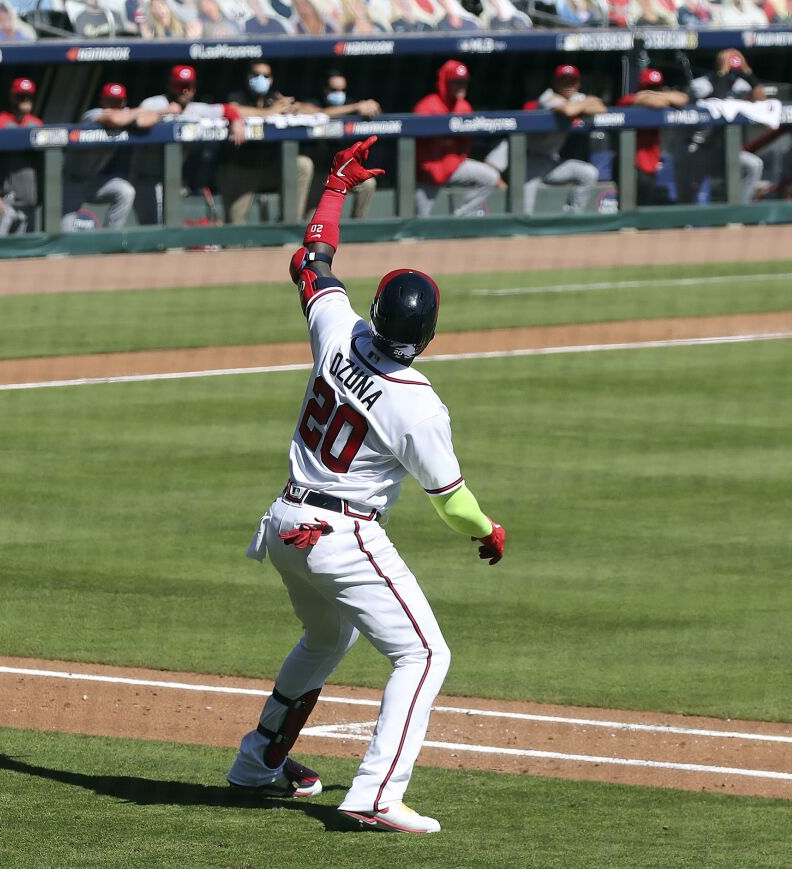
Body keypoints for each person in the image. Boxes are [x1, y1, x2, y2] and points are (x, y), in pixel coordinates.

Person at [227, 136, 506, 834]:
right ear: (430, 330)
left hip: (286, 522)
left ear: (379, 311)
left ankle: (258, 759)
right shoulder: (416, 401)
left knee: (326, 639)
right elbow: (455, 503)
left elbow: (312, 259)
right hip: (342, 534)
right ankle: (376, 792)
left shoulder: (337, 329)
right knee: (424, 651)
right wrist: (490, 532)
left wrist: (333, 188)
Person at [130, 64, 248, 226]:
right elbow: (136, 118)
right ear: (171, 85)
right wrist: (165, 111)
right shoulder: (154, 103)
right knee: (152, 226)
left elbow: (227, 109)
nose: (185, 90)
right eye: (180, 85)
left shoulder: (195, 108)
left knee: (169, 227)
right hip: (145, 178)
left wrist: (237, 122)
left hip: (170, 181)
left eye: (189, 86)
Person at [219, 62, 315, 224]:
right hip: (241, 170)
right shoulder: (237, 96)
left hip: (271, 168)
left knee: (302, 164)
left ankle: (290, 223)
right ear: (248, 77)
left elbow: (314, 110)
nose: (261, 79)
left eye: (265, 76)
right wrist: (269, 112)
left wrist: (293, 106)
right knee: (235, 233)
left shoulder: (274, 98)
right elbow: (231, 109)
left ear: (271, 79)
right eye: (256, 75)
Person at [61, 83, 160, 231]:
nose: (114, 105)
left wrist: (135, 114)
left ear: (124, 102)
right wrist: (136, 113)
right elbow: (115, 120)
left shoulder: (126, 115)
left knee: (125, 191)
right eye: (110, 100)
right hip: (69, 182)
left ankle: (108, 239)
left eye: (118, 101)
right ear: (102, 101)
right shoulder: (92, 114)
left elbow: (152, 117)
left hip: (93, 182)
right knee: (66, 238)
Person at [413, 60, 500, 217]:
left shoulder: (464, 107)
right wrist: (429, 169)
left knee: (490, 177)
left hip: (453, 165)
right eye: (456, 82)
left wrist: (456, 160)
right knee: (419, 225)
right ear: (445, 82)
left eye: (464, 82)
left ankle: (461, 218)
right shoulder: (427, 106)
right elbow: (415, 146)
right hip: (428, 172)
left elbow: (465, 143)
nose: (462, 87)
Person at [678, 50, 766, 204]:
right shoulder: (701, 85)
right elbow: (714, 95)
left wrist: (749, 75)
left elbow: (762, 101)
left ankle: (739, 211)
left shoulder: (741, 85)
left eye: (736, 73)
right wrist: (721, 75)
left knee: (753, 165)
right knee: (687, 199)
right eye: (731, 72)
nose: (733, 77)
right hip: (694, 150)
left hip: (721, 151)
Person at [524, 64, 606, 214]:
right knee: (524, 214)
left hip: (552, 162)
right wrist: (585, 103)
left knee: (589, 173)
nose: (568, 85)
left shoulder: (576, 98)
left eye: (572, 81)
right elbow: (568, 110)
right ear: (555, 82)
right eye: (563, 81)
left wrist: (583, 103)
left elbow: (600, 107)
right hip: (530, 163)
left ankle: (572, 217)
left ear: (578, 83)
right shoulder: (547, 97)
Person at [305, 70, 381, 219]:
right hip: (319, 174)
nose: (339, 94)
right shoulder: (314, 102)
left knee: (367, 184)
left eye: (342, 90)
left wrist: (372, 107)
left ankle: (358, 230)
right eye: (334, 90)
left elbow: (373, 112)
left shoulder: (350, 103)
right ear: (325, 89)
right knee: (310, 219)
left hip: (343, 173)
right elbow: (316, 112)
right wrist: (355, 108)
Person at [616, 68, 689, 207]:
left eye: (657, 87)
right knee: (629, 204)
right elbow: (653, 101)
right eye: (650, 87)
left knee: (645, 204)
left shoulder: (660, 96)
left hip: (650, 161)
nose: (654, 90)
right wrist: (661, 97)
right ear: (641, 87)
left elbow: (683, 98)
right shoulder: (629, 100)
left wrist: (659, 95)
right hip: (630, 163)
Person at [0, 77, 44, 237]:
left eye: (29, 96)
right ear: (12, 97)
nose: (26, 100)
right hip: (4, 201)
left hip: (28, 202)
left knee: (24, 256)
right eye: (21, 96)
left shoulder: (37, 124)